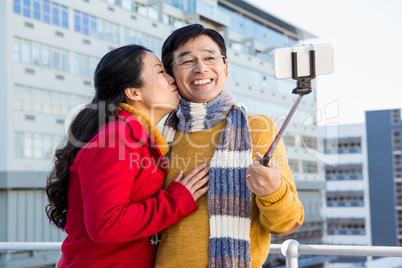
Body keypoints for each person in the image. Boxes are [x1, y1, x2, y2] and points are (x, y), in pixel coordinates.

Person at [45, 44, 210, 267]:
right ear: (134, 92)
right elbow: (106, 224)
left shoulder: (133, 136)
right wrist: (176, 201)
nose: (171, 79)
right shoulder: (117, 138)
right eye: (160, 72)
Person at [155, 24, 304, 268]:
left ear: (225, 68)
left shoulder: (258, 128)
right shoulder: (161, 136)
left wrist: (272, 189)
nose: (201, 67)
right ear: (171, 73)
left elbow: (287, 224)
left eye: (210, 57)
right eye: (187, 60)